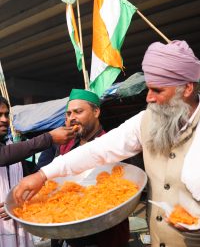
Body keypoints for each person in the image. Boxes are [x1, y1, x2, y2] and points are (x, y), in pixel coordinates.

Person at [14, 40, 200, 247]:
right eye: (148, 89)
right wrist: (43, 175)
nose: (149, 98)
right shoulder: (145, 121)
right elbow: (98, 149)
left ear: (186, 89)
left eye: (157, 90)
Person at [37, 88, 130, 247]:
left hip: (104, 236)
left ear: (96, 112)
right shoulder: (63, 147)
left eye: (78, 112)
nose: (72, 118)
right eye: (68, 114)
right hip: (66, 234)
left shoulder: (113, 145)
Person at [0, 96, 76, 247]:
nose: (4, 119)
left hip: (16, 225)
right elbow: (3, 156)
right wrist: (49, 138)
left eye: (6, 114)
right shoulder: (10, 151)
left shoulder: (12, 147)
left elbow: (31, 180)